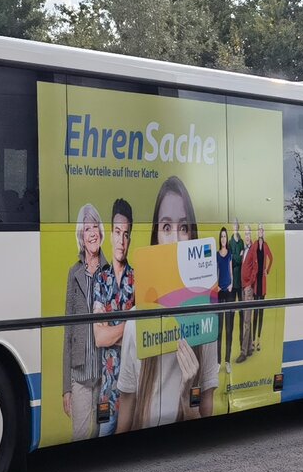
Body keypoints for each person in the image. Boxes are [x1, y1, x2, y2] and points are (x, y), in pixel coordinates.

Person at [115, 177, 219, 431]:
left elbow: (209, 431)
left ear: (193, 235)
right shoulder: (134, 322)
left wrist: (187, 398)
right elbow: (123, 423)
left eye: (183, 228)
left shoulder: (205, 323)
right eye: (166, 227)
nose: (175, 239)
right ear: (156, 237)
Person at [62, 203, 107, 441]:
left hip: (104, 374)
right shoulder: (74, 273)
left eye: (95, 227)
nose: (92, 232)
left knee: (104, 435)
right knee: (80, 437)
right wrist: (66, 388)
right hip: (79, 375)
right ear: (81, 235)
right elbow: (68, 330)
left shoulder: (111, 271)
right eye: (87, 228)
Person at [92, 198, 135, 437]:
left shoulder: (139, 279)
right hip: (108, 395)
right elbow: (99, 337)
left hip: (133, 396)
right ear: (110, 234)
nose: (121, 240)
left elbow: (143, 338)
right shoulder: (101, 279)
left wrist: (114, 331)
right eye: (117, 232)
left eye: (126, 234)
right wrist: (129, 327)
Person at [216, 227, 236, 375]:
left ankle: (227, 361)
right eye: (221, 237)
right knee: (219, 329)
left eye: (225, 236)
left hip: (228, 292)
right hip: (219, 292)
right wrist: (216, 285)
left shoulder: (229, 254)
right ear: (220, 239)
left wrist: (231, 285)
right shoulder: (217, 255)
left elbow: (230, 271)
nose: (223, 239)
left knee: (229, 328)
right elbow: (216, 271)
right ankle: (218, 362)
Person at [251, 223, 274, 352]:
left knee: (261, 313)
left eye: (261, 229)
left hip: (262, 281)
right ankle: (253, 341)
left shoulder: (265, 245)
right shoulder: (255, 245)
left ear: (263, 232)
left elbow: (271, 258)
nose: (260, 231)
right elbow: (250, 259)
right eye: (258, 229)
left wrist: (267, 270)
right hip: (256, 281)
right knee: (255, 312)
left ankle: (259, 340)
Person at [238, 224, 256, 361]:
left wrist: (249, 284)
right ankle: (249, 348)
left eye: (249, 234)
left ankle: (244, 352)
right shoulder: (244, 251)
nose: (247, 236)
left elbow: (255, 269)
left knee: (246, 321)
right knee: (247, 319)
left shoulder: (253, 250)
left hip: (248, 289)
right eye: (245, 234)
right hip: (244, 287)